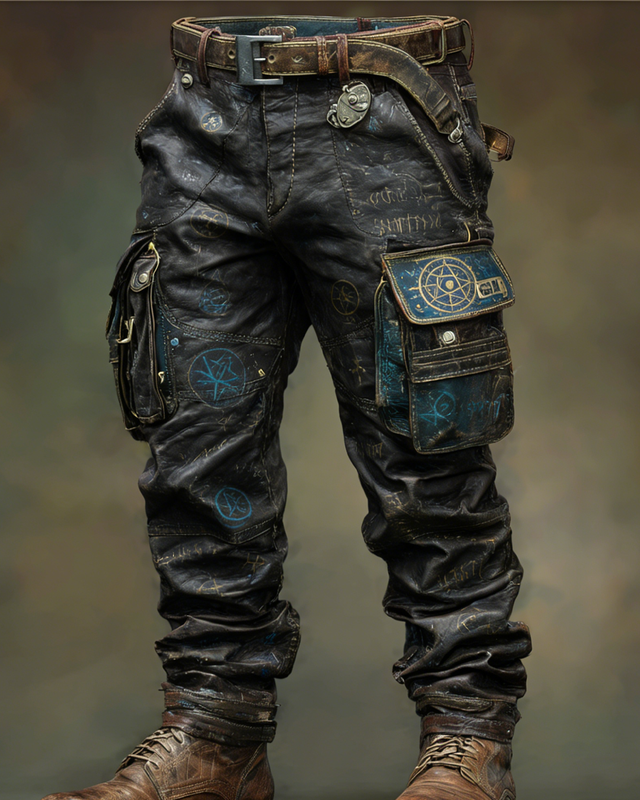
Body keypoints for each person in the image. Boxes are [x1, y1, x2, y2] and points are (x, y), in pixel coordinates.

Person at [44, 13, 531, 800]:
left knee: (428, 454)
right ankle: (215, 741)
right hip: (205, 112)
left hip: (390, 107)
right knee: (198, 453)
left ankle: (469, 743)